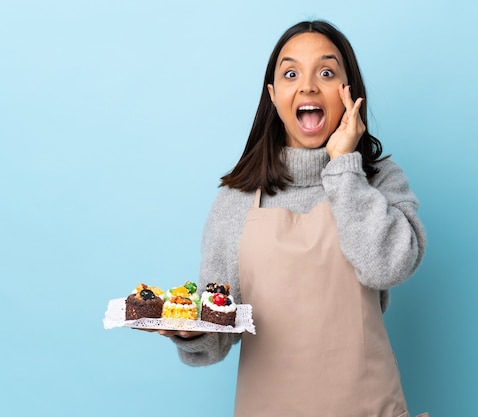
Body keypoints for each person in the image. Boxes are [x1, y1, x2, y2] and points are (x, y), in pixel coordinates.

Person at [158, 20, 427, 417]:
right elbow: (216, 329)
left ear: (349, 91)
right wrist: (193, 330)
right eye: (290, 73)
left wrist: (343, 167)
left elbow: (386, 267)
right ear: (273, 95)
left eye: (326, 72)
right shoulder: (235, 199)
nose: (307, 86)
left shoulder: (378, 180)